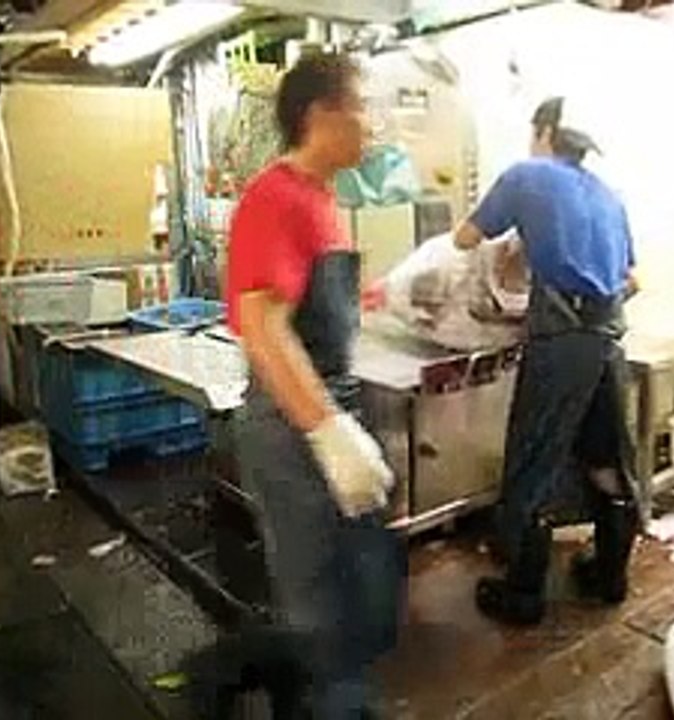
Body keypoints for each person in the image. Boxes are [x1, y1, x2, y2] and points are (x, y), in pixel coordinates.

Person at [224, 51, 402, 718]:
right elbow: (263, 327)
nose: (374, 124)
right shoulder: (274, 197)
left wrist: (387, 295)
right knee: (319, 605)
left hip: (330, 406)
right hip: (290, 424)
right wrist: (328, 432)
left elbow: (316, 303)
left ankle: (344, 702)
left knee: (365, 587)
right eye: (364, 107)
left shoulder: (324, 198)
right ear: (322, 114)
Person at [454, 97, 642, 626]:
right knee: (606, 459)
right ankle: (609, 576)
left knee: (534, 458)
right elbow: (634, 280)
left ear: (544, 132)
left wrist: (522, 249)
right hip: (608, 341)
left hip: (561, 345)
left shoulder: (526, 175)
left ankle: (522, 594)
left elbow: (464, 239)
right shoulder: (608, 194)